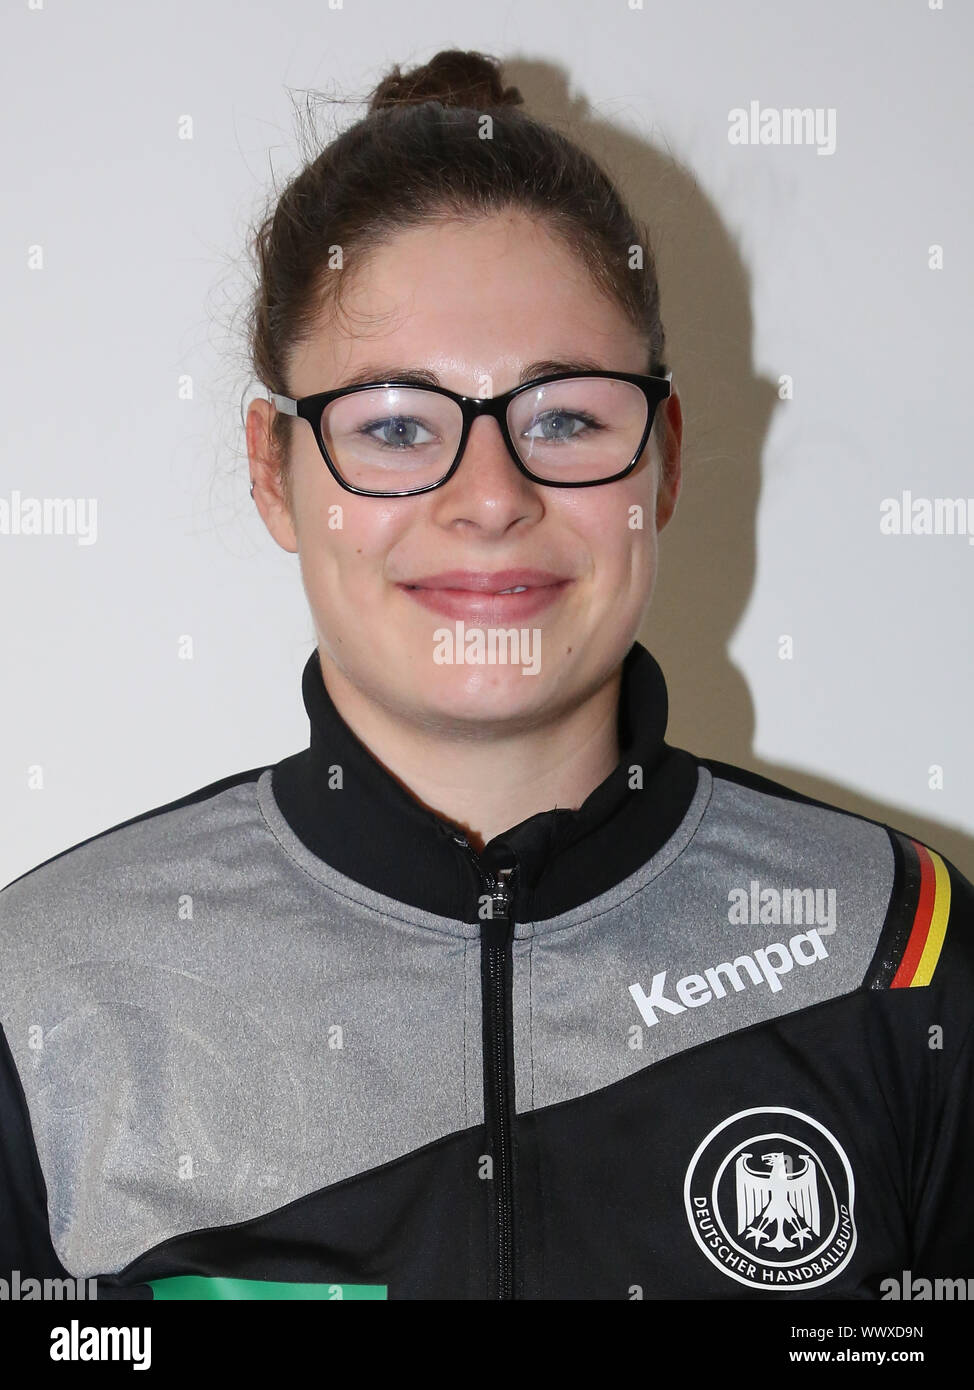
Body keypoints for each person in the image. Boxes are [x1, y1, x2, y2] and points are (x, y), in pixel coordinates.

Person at [1, 48, 972, 1304]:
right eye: (395, 426)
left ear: (660, 460)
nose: (491, 498)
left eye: (563, 417)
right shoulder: (48, 994)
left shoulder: (896, 950)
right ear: (271, 469)